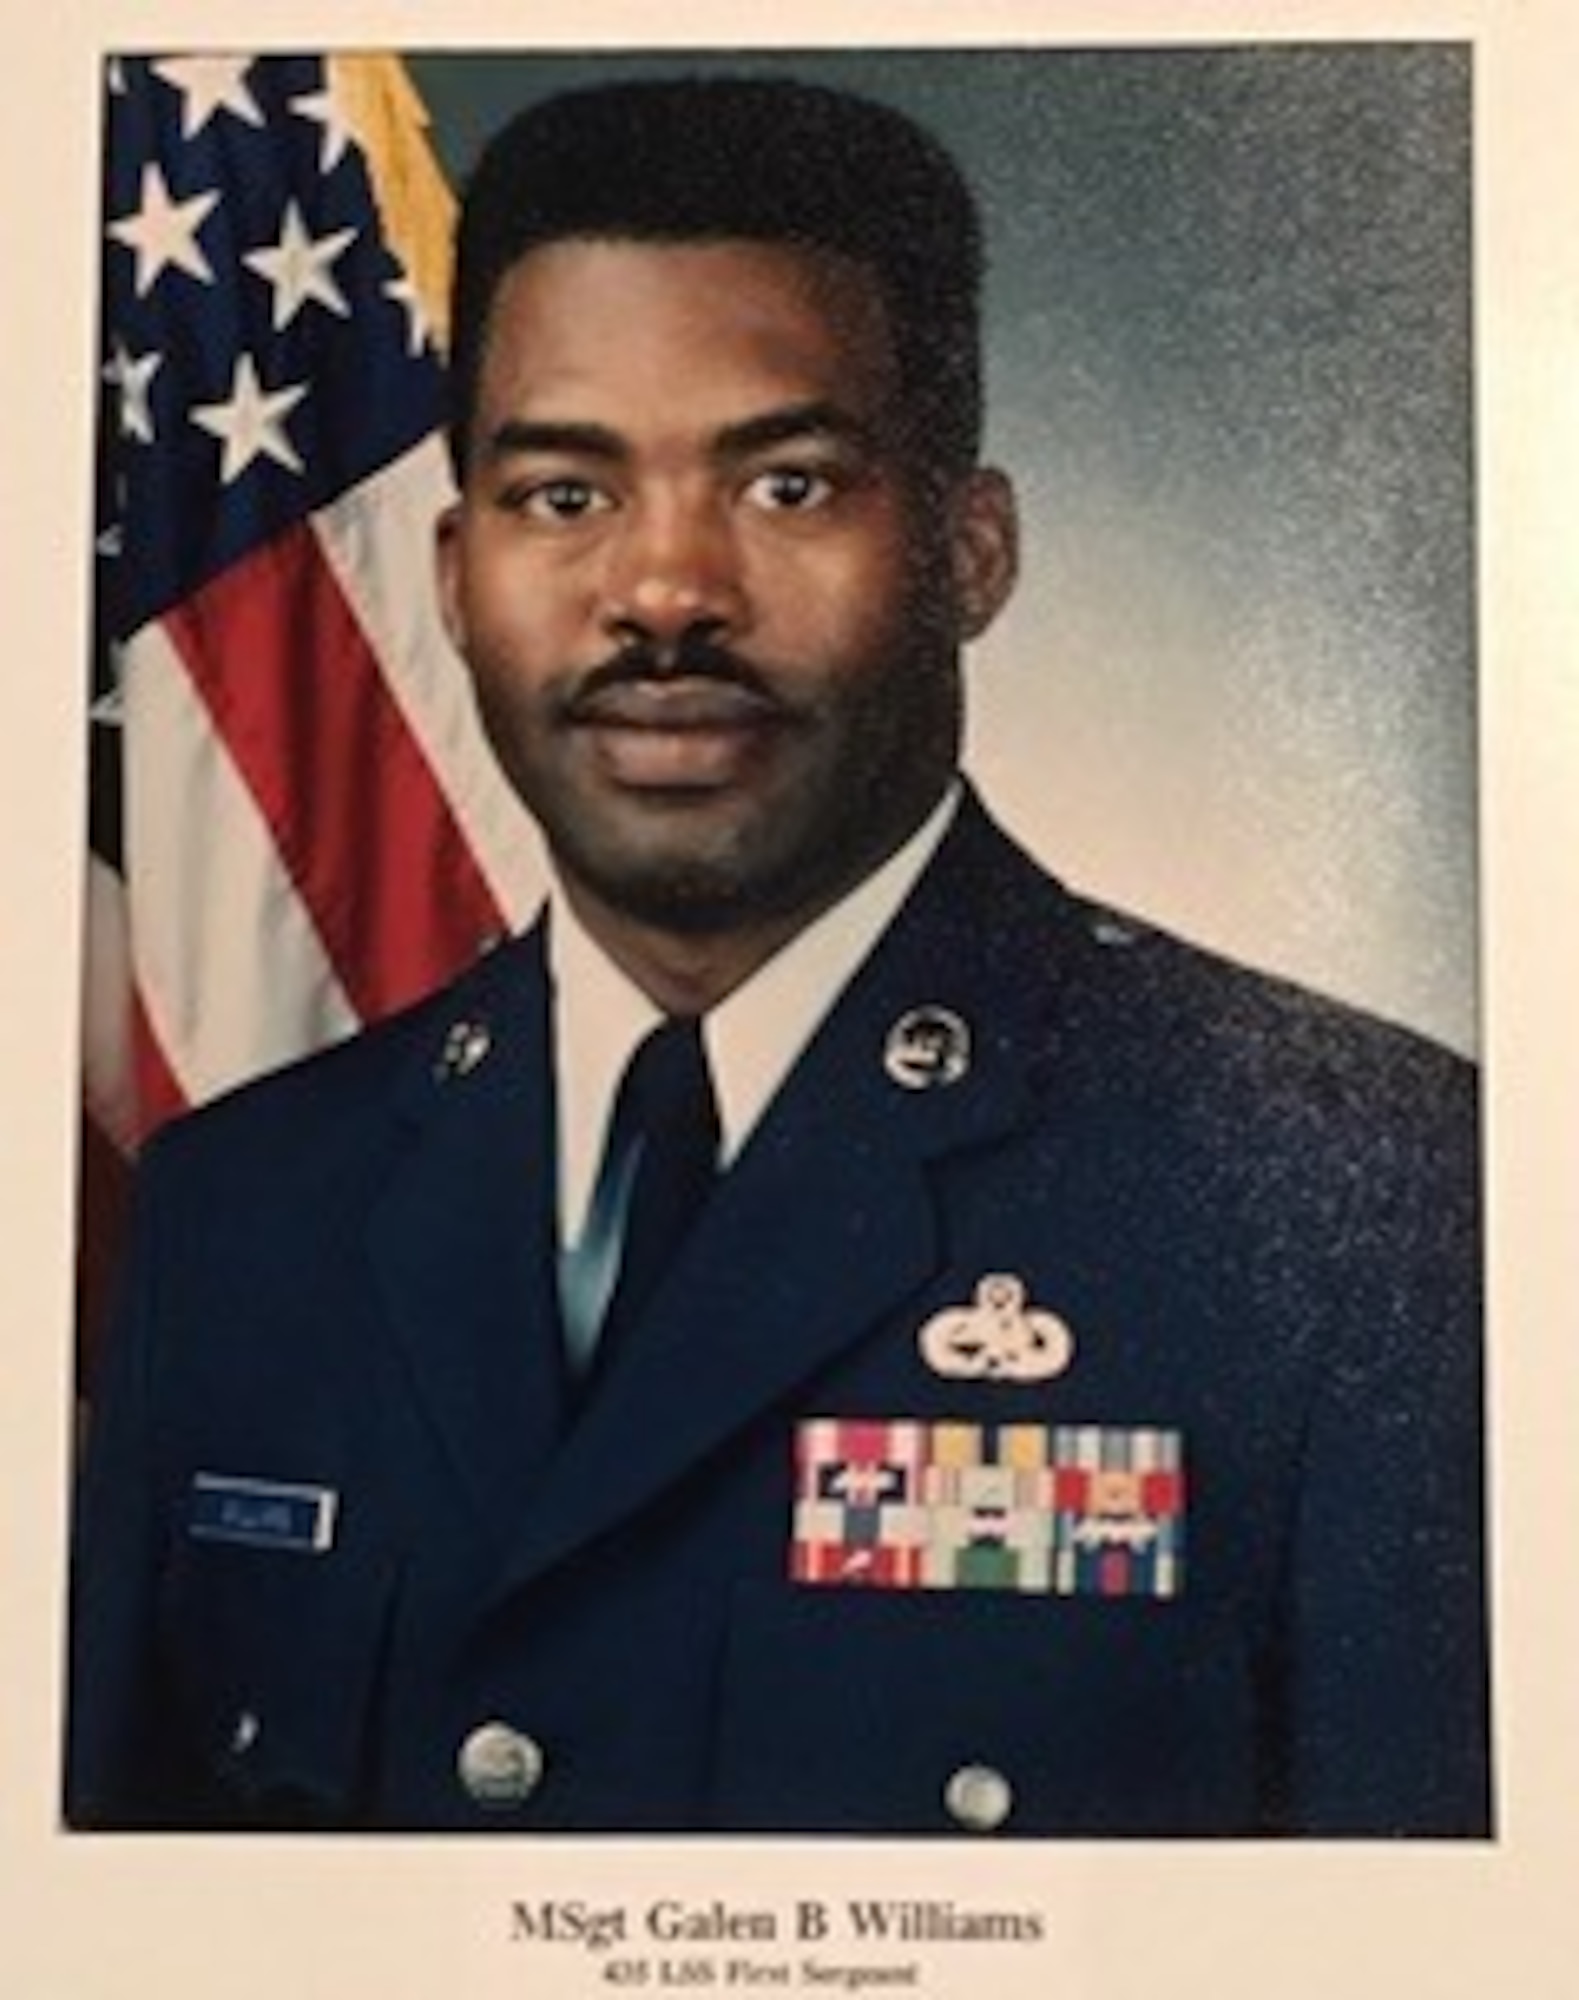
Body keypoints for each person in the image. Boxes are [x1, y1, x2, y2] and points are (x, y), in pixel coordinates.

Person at [66, 75, 1489, 1837]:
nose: (664, 591)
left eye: (788, 482)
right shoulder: (237, 1215)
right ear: (451, 575)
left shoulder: (1361, 1200)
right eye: (565, 496)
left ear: (970, 554)